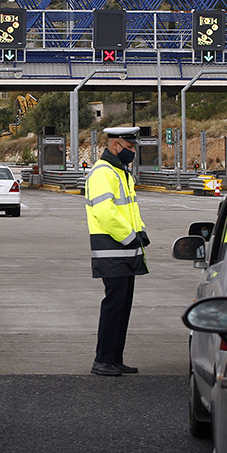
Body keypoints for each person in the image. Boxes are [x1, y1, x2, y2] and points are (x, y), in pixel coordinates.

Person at [84, 126, 149, 376]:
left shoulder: (120, 172)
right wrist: (130, 237)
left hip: (125, 251)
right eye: (129, 147)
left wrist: (140, 232)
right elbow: (104, 212)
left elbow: (129, 209)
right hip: (112, 250)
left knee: (122, 307)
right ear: (115, 146)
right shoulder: (103, 172)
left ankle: (115, 358)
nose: (132, 152)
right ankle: (102, 360)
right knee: (114, 306)